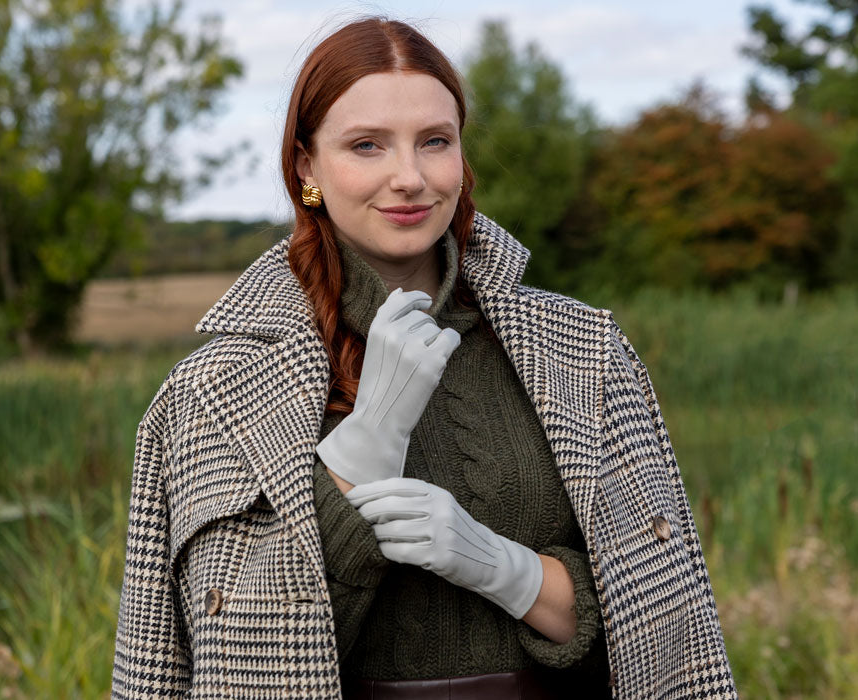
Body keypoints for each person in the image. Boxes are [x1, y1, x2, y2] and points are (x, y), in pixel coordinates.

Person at [112, 17, 737, 700]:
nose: (408, 177)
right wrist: (361, 451)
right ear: (306, 166)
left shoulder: (584, 350)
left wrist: (509, 571)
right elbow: (226, 661)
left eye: (435, 141)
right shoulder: (213, 390)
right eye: (367, 145)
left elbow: (666, 627)